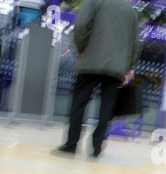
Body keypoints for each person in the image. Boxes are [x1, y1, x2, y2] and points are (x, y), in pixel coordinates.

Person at [53, 0, 141, 158]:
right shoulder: (130, 10)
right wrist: (128, 65)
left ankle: (71, 144)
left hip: (91, 60)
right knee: (107, 107)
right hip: (116, 67)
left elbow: (80, 26)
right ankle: (97, 147)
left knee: (79, 102)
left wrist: (82, 49)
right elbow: (135, 42)